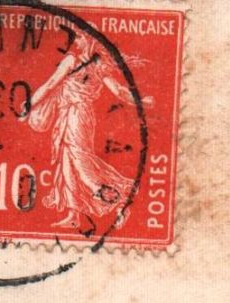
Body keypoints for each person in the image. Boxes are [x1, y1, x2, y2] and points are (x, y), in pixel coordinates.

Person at [23, 32, 147, 231]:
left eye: (80, 38)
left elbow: (49, 85)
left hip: (75, 113)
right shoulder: (99, 67)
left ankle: (112, 191)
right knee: (67, 160)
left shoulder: (72, 61)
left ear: (89, 41)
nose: (76, 41)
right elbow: (120, 92)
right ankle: (74, 215)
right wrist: (141, 100)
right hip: (75, 114)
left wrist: (29, 105)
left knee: (78, 157)